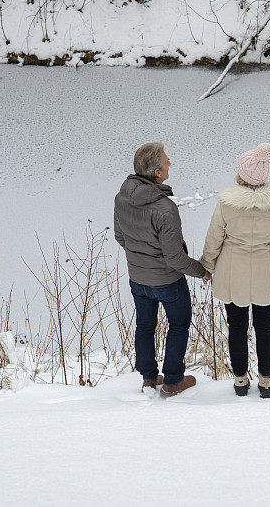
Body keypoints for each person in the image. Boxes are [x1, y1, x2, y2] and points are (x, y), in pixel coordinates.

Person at [201, 143, 270, 398]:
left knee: (236, 327)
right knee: (264, 327)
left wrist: (207, 266)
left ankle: (240, 381)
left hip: (232, 273)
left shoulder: (227, 203)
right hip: (266, 273)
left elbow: (214, 237)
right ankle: (266, 382)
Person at [114, 142, 210, 397]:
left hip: (138, 279)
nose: (170, 164)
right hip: (167, 282)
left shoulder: (122, 197)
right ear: (157, 173)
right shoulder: (165, 209)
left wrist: (140, 257)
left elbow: (120, 237)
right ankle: (173, 380)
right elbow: (175, 258)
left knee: (145, 326)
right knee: (179, 324)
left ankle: (148, 378)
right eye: (167, 161)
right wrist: (203, 271)